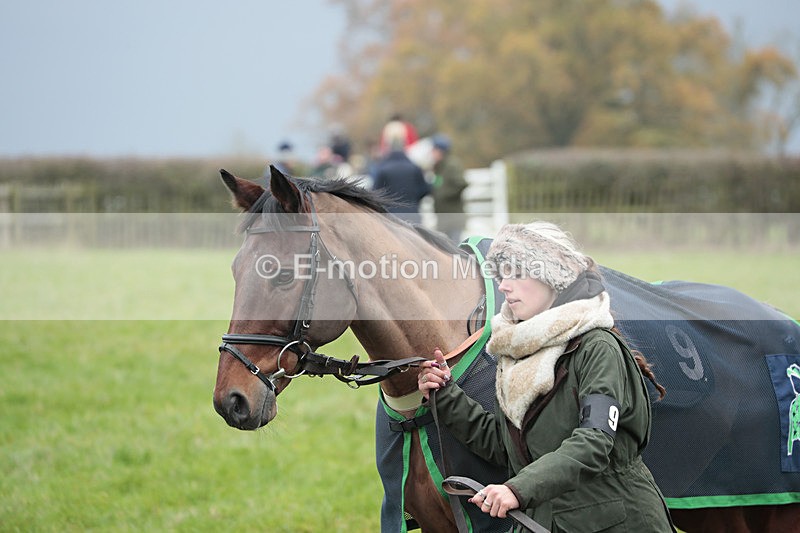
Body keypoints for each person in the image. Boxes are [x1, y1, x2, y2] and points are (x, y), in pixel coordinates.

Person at [418, 221, 675, 532]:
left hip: (619, 523)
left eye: (516, 273)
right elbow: (506, 446)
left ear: (553, 277)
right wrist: (446, 394)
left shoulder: (598, 348)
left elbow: (594, 442)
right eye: (502, 276)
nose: (503, 286)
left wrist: (518, 489)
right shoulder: (516, 352)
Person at [370, 125, 431, 224]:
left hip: (390, 217)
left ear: (388, 147)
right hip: (413, 215)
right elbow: (425, 190)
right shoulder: (414, 167)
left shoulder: (382, 169)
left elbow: (375, 194)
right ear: (404, 146)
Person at [430, 134, 467, 242]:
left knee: (453, 247)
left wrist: (444, 195)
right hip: (443, 218)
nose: (432, 152)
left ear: (440, 151)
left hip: (453, 218)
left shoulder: (451, 165)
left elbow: (461, 184)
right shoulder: (439, 166)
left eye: (434, 149)